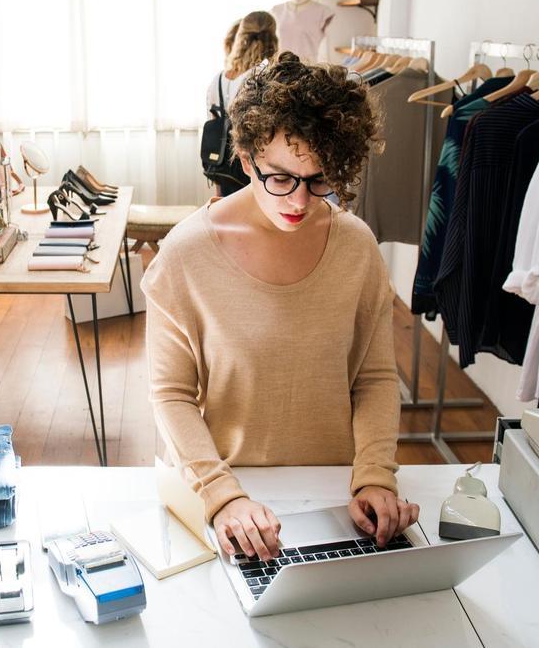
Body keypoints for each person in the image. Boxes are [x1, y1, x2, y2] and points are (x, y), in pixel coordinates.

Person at [146, 52, 417, 563]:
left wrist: (376, 476)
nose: (299, 200)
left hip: (339, 496)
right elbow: (171, 395)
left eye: (319, 180)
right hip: (229, 494)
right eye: (282, 178)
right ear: (246, 159)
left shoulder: (356, 247)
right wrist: (220, 495)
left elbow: (375, 378)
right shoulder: (184, 256)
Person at [205, 10, 279, 196]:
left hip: (223, 167)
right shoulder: (263, 76)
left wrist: (218, 193)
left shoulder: (218, 80)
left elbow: (214, 126)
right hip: (253, 169)